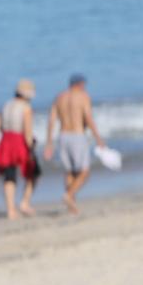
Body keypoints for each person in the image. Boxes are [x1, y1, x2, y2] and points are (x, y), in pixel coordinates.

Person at [44, 74, 105, 216]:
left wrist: (49, 142)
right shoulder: (83, 96)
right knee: (84, 171)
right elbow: (88, 118)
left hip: (63, 136)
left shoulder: (59, 97)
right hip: (78, 135)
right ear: (80, 84)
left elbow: (51, 121)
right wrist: (98, 138)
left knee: (70, 172)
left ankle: (72, 207)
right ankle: (69, 195)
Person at [0, 79, 41, 219]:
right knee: (33, 172)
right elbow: (28, 132)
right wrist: (31, 146)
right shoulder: (26, 108)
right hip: (19, 142)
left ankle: (10, 210)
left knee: (9, 176)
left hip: (6, 141)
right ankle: (25, 202)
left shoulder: (6, 105)